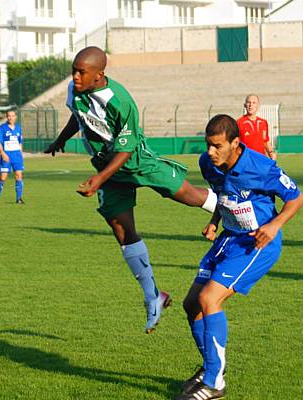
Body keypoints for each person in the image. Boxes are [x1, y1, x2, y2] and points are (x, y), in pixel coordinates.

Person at [43, 47, 217, 334]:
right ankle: (154, 297)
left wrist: (99, 178)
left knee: (185, 194)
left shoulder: (120, 100)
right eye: (73, 70)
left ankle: (230, 207)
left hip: (134, 160)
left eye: (81, 72)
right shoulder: (75, 91)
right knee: (120, 228)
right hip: (106, 166)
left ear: (99, 75)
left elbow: (125, 149)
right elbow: (78, 115)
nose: (74, 76)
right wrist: (60, 139)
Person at [177, 115, 303, 400]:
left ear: (236, 143)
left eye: (217, 146)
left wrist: (274, 225)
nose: (210, 152)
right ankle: (211, 368)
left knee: (209, 299)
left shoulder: (261, 167)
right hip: (228, 239)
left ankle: (213, 382)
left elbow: (297, 198)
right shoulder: (208, 163)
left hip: (256, 244)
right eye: (208, 145)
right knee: (191, 304)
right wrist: (215, 220)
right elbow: (223, 194)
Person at [0, 109, 25, 204]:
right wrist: (2, 153)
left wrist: (21, 154)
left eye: (12, 116)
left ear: (15, 117)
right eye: (8, 116)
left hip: (17, 156)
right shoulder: (2, 128)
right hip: (6, 155)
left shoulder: (18, 128)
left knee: (19, 176)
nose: (10, 118)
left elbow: (20, 142)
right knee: (3, 177)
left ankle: (19, 199)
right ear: (6, 117)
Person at [236, 94, 276, 160]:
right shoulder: (238, 123)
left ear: (258, 106)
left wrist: (271, 153)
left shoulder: (263, 122)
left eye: (254, 103)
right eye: (249, 102)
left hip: (260, 159)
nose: (251, 105)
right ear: (245, 105)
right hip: (246, 160)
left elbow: (265, 141)